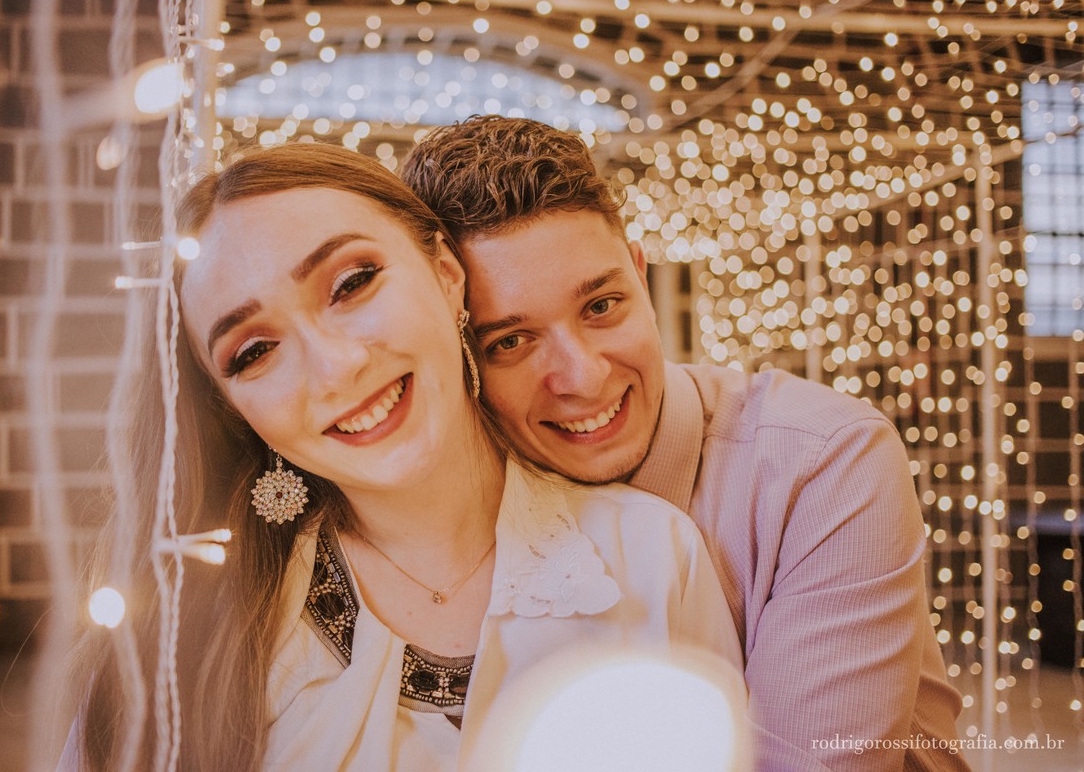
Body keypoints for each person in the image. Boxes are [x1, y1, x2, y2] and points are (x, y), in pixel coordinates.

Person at [63, 143, 744, 771]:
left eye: (351, 284)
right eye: (255, 352)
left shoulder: (654, 556)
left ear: (446, 274)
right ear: (236, 410)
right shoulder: (188, 625)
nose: (335, 368)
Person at [402, 116, 969, 771]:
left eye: (601, 306)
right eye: (510, 341)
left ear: (640, 276)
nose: (583, 377)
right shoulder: (456, 513)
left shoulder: (823, 458)